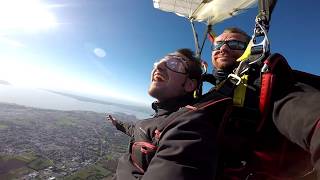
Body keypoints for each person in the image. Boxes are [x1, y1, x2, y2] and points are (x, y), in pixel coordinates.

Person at [210, 27, 320, 178]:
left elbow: (309, 115)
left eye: (234, 44)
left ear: (251, 49)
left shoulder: (269, 86)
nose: (222, 49)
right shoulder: (203, 91)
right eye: (217, 45)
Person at [108, 48, 233, 180]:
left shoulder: (190, 126)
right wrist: (118, 124)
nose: (159, 66)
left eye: (174, 64)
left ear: (189, 84)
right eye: (158, 63)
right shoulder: (160, 119)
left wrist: (124, 168)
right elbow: (137, 130)